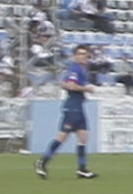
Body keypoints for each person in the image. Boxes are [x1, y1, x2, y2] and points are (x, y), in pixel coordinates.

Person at [37, 48, 96, 179]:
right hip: (72, 109)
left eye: (85, 55)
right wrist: (86, 89)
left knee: (83, 137)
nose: (83, 57)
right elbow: (70, 86)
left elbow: (64, 83)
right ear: (75, 56)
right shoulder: (75, 69)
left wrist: (82, 95)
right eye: (80, 54)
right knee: (62, 137)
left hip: (78, 107)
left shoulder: (79, 70)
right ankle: (42, 162)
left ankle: (82, 169)